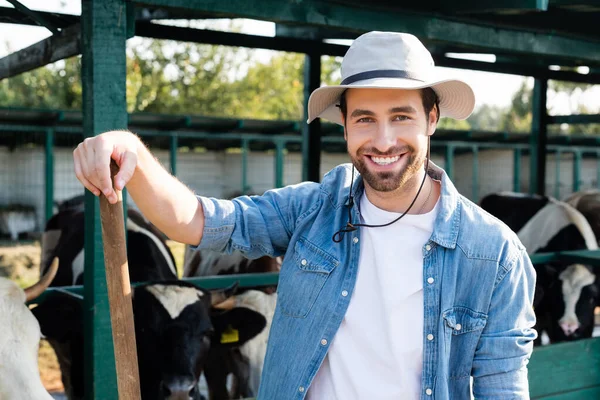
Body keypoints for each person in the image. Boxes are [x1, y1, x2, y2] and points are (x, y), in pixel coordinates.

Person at [73, 31, 537, 399]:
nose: (382, 140)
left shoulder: (494, 254)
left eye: (401, 117)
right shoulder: (311, 211)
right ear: (343, 121)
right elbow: (196, 220)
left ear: (432, 118)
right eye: (364, 119)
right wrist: (130, 151)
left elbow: (503, 388)